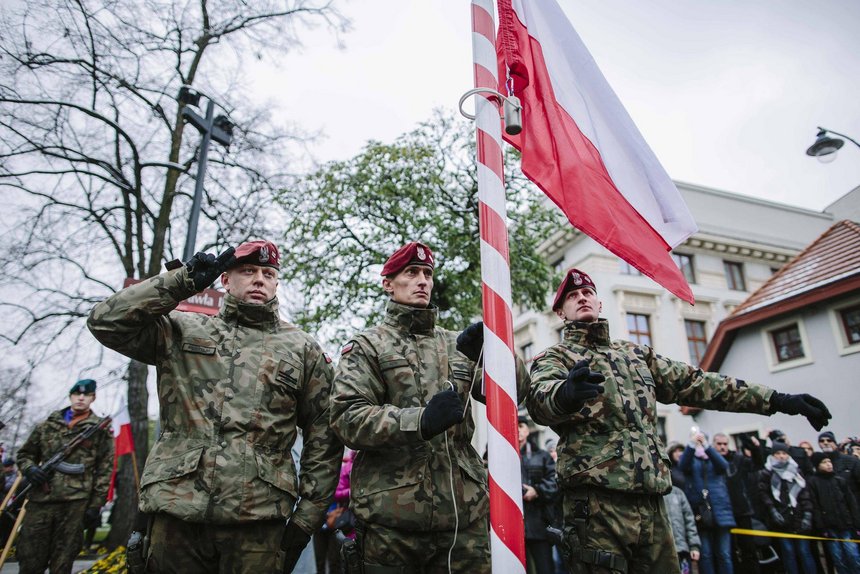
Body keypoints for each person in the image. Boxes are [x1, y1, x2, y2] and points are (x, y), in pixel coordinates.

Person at [526, 268, 832, 573]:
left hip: (653, 502)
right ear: (561, 312)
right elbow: (539, 402)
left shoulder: (634, 355)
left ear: (599, 303)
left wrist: (776, 400)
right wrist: (566, 394)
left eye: (588, 293)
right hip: (596, 505)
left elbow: (697, 383)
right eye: (573, 296)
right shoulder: (556, 358)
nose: (582, 298)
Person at [88, 240, 342, 573]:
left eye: (268, 273)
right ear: (225, 280)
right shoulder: (181, 330)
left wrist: (306, 517)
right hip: (177, 511)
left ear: (277, 283)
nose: (259, 279)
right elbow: (105, 321)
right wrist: (183, 280)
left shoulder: (302, 348)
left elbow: (324, 433)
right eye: (248, 271)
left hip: (258, 521)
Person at [329, 241, 529, 573]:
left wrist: (498, 354)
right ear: (388, 284)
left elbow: (515, 394)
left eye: (427, 273)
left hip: (464, 520)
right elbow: (347, 417)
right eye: (412, 272)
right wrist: (420, 421)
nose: (422, 280)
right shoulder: (367, 346)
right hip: (392, 522)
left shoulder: (459, 344)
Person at [15, 379, 113, 574]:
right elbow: (25, 455)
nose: (81, 398)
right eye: (77, 394)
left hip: (75, 505)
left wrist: (95, 506)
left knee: (63, 563)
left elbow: (104, 470)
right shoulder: (46, 426)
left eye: (86, 395)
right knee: (30, 559)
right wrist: (30, 470)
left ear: (92, 398)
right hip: (41, 502)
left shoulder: (99, 432)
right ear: (70, 396)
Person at [680, 431, 736, 574]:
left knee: (724, 554)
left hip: (721, 511)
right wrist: (692, 444)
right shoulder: (691, 460)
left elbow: (723, 466)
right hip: (701, 512)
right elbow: (682, 465)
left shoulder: (713, 458)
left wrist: (706, 446)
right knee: (705, 555)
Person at [757, 442, 817, 574]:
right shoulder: (767, 473)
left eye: (784, 453)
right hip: (781, 519)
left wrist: (807, 515)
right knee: (788, 553)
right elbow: (763, 493)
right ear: (772, 455)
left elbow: (804, 494)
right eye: (778, 453)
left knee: (804, 551)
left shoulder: (796, 470)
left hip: (799, 516)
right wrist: (772, 510)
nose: (781, 456)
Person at [712, 433, 762, 574]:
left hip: (741, 510)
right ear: (714, 445)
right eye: (719, 444)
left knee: (749, 549)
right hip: (722, 512)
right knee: (728, 551)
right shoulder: (710, 460)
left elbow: (757, 464)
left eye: (725, 444)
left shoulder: (738, 459)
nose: (722, 447)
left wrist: (757, 448)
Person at [807, 451, 860, 574]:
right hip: (830, 528)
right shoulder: (813, 482)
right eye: (824, 462)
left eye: (829, 461)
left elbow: (851, 503)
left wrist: (856, 524)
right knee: (838, 558)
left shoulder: (840, 480)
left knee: (853, 555)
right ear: (817, 465)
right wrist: (822, 527)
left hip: (846, 525)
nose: (828, 464)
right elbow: (815, 507)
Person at [519, 415, 558, 574]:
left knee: (545, 569)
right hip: (514, 527)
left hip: (539, 524)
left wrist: (537, 491)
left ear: (528, 430)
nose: (518, 430)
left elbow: (554, 483)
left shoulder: (542, 456)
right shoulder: (502, 457)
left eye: (521, 426)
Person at [664, 483, 700, 574]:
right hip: (660, 552)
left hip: (681, 550)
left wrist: (694, 546)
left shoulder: (678, 493)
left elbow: (690, 522)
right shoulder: (651, 495)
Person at [818, 430, 860, 503]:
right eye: (821, 441)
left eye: (829, 440)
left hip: (853, 505)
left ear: (834, 443)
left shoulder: (851, 461)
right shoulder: (817, 463)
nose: (825, 443)